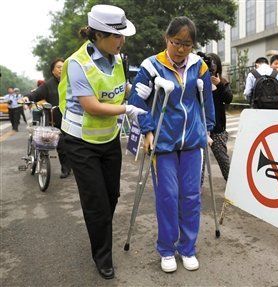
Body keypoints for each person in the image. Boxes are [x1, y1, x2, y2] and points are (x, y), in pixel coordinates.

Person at [57, 5, 145, 279]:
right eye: (116, 36)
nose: (122, 41)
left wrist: (137, 92)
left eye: (122, 36)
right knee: (96, 201)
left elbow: (120, 89)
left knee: (112, 195)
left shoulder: (117, 58)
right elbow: (92, 106)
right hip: (80, 141)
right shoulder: (77, 63)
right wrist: (127, 110)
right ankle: (102, 256)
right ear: (98, 35)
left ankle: (99, 235)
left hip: (107, 138)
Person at [129, 16, 215, 273]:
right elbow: (136, 101)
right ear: (167, 39)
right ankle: (166, 249)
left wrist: (208, 129)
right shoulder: (151, 66)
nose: (181, 48)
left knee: (190, 197)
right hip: (163, 142)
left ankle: (187, 248)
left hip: (191, 141)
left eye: (187, 44)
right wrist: (147, 131)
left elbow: (206, 100)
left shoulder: (199, 67)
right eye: (176, 42)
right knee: (168, 197)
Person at [24, 58, 71, 178]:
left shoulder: (71, 80)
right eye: (58, 67)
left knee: (76, 145)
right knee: (62, 145)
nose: (61, 69)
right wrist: (27, 98)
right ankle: (65, 168)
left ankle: (77, 166)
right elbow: (36, 93)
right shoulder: (48, 85)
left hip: (73, 118)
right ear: (53, 71)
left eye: (63, 66)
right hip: (57, 120)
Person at [205, 52, 232, 181]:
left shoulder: (223, 81)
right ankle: (195, 189)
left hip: (218, 128)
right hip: (201, 127)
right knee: (199, 163)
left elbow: (228, 99)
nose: (211, 66)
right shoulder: (198, 81)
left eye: (213, 63)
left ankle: (232, 184)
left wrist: (219, 84)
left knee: (223, 159)